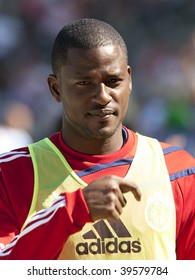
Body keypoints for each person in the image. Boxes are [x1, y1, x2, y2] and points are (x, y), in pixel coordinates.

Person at [0, 18, 194, 260]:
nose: (103, 96)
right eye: (84, 83)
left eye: (113, 81)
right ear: (56, 89)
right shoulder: (11, 174)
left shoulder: (178, 170)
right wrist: (74, 209)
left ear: (130, 80)